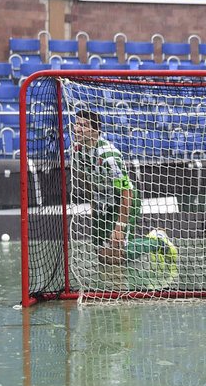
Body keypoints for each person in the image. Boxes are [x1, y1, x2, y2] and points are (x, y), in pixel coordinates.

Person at [71, 108, 178, 274]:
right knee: (103, 256)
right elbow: (86, 179)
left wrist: (120, 226)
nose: (77, 129)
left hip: (122, 201)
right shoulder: (78, 152)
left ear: (95, 131)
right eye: (76, 124)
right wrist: (93, 204)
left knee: (116, 256)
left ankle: (158, 241)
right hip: (101, 203)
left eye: (83, 126)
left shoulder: (109, 156)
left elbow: (126, 191)